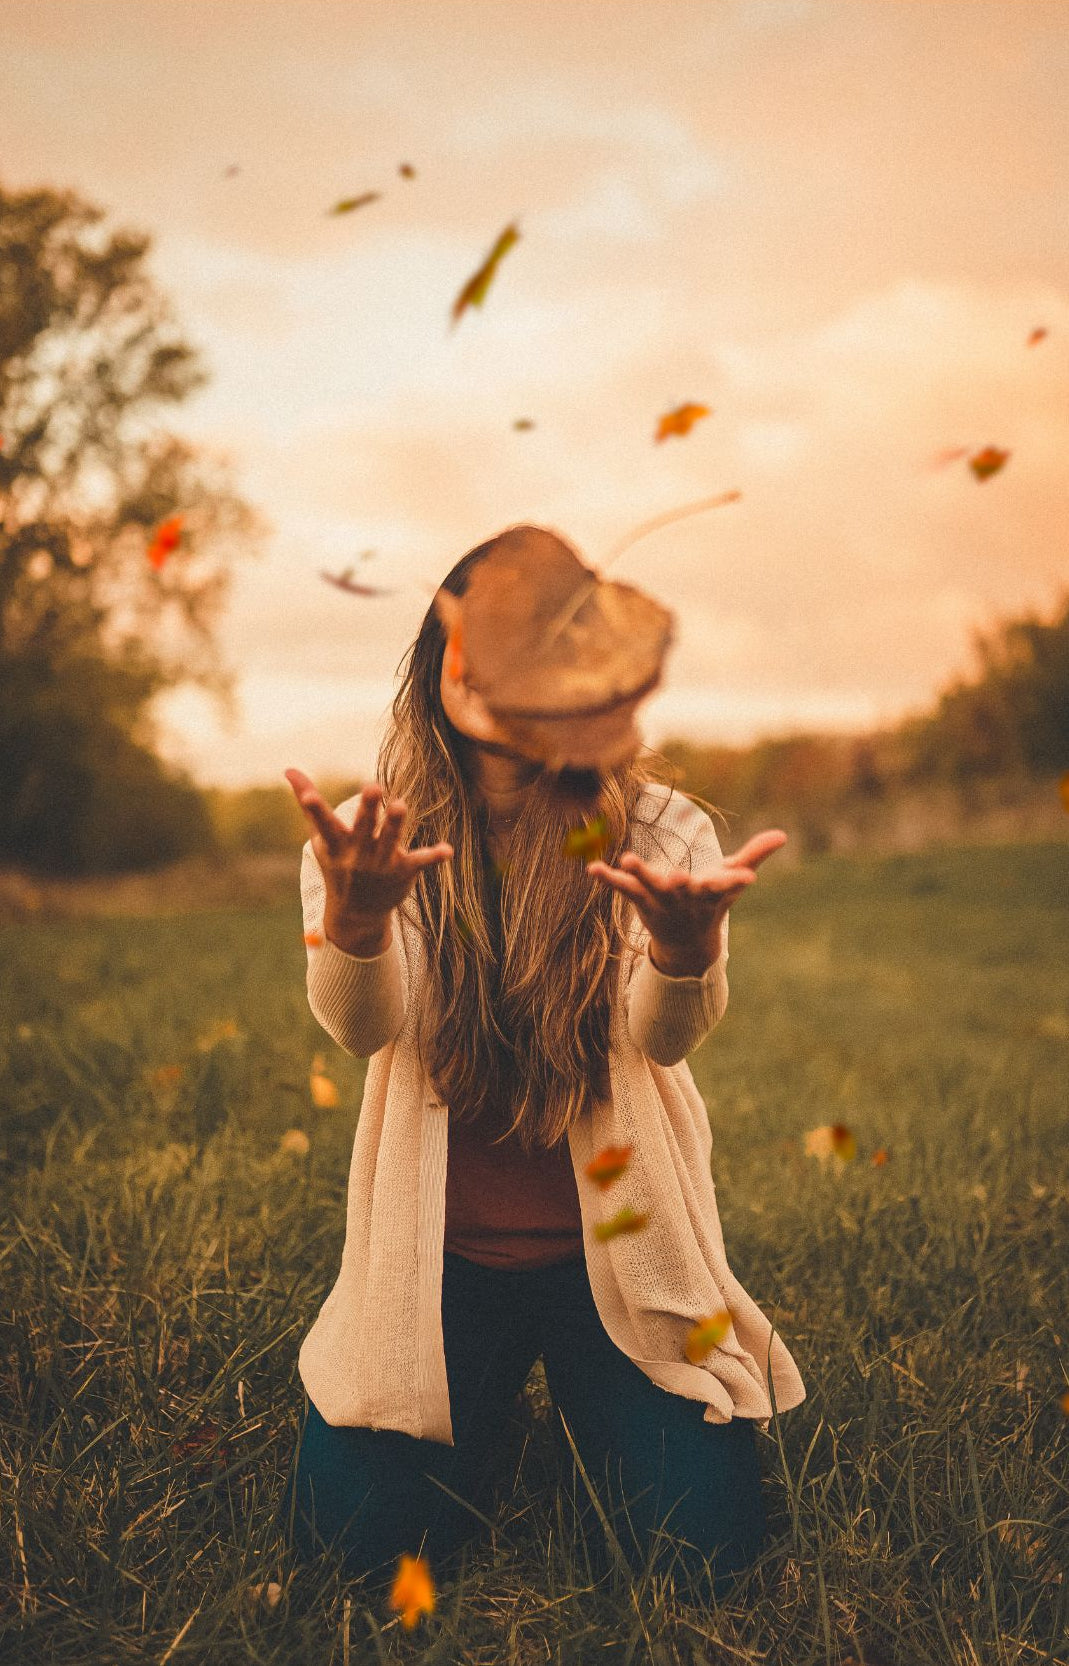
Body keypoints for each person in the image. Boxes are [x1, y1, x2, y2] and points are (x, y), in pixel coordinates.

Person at [277, 526, 806, 1604]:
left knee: (701, 1563)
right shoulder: (370, 838)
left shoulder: (661, 825)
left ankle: (586, 1399)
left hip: (612, 1263)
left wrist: (683, 951)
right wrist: (360, 920)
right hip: (438, 1270)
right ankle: (467, 1420)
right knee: (349, 1563)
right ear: (443, 664)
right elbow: (362, 1028)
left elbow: (663, 1039)